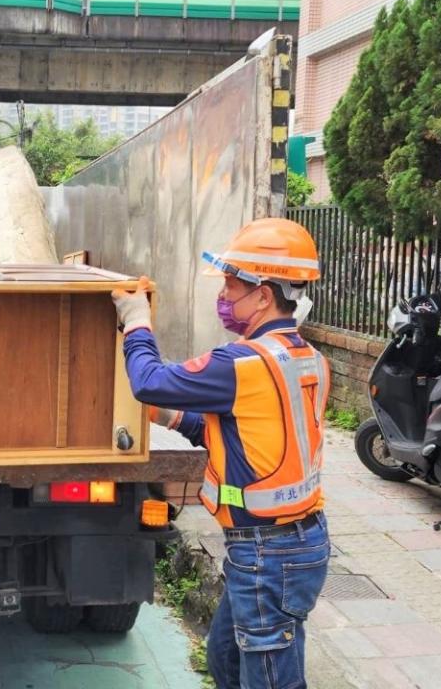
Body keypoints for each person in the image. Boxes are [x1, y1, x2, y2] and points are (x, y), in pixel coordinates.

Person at [112, 218, 331, 689]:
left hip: (268, 550)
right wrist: (169, 418)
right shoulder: (305, 358)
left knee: (268, 675)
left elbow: (149, 380)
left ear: (265, 294)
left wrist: (136, 321)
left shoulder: (243, 363)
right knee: (227, 659)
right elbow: (245, 439)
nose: (225, 298)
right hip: (289, 543)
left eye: (232, 286)